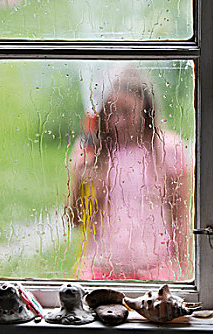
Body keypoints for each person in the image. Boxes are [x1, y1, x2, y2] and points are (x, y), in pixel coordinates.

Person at [67, 69, 193, 281]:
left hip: (156, 270)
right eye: (110, 112)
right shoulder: (93, 152)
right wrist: (83, 179)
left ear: (145, 110)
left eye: (126, 112)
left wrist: (184, 271)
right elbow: (77, 220)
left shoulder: (168, 149)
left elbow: (181, 218)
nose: (117, 121)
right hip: (101, 269)